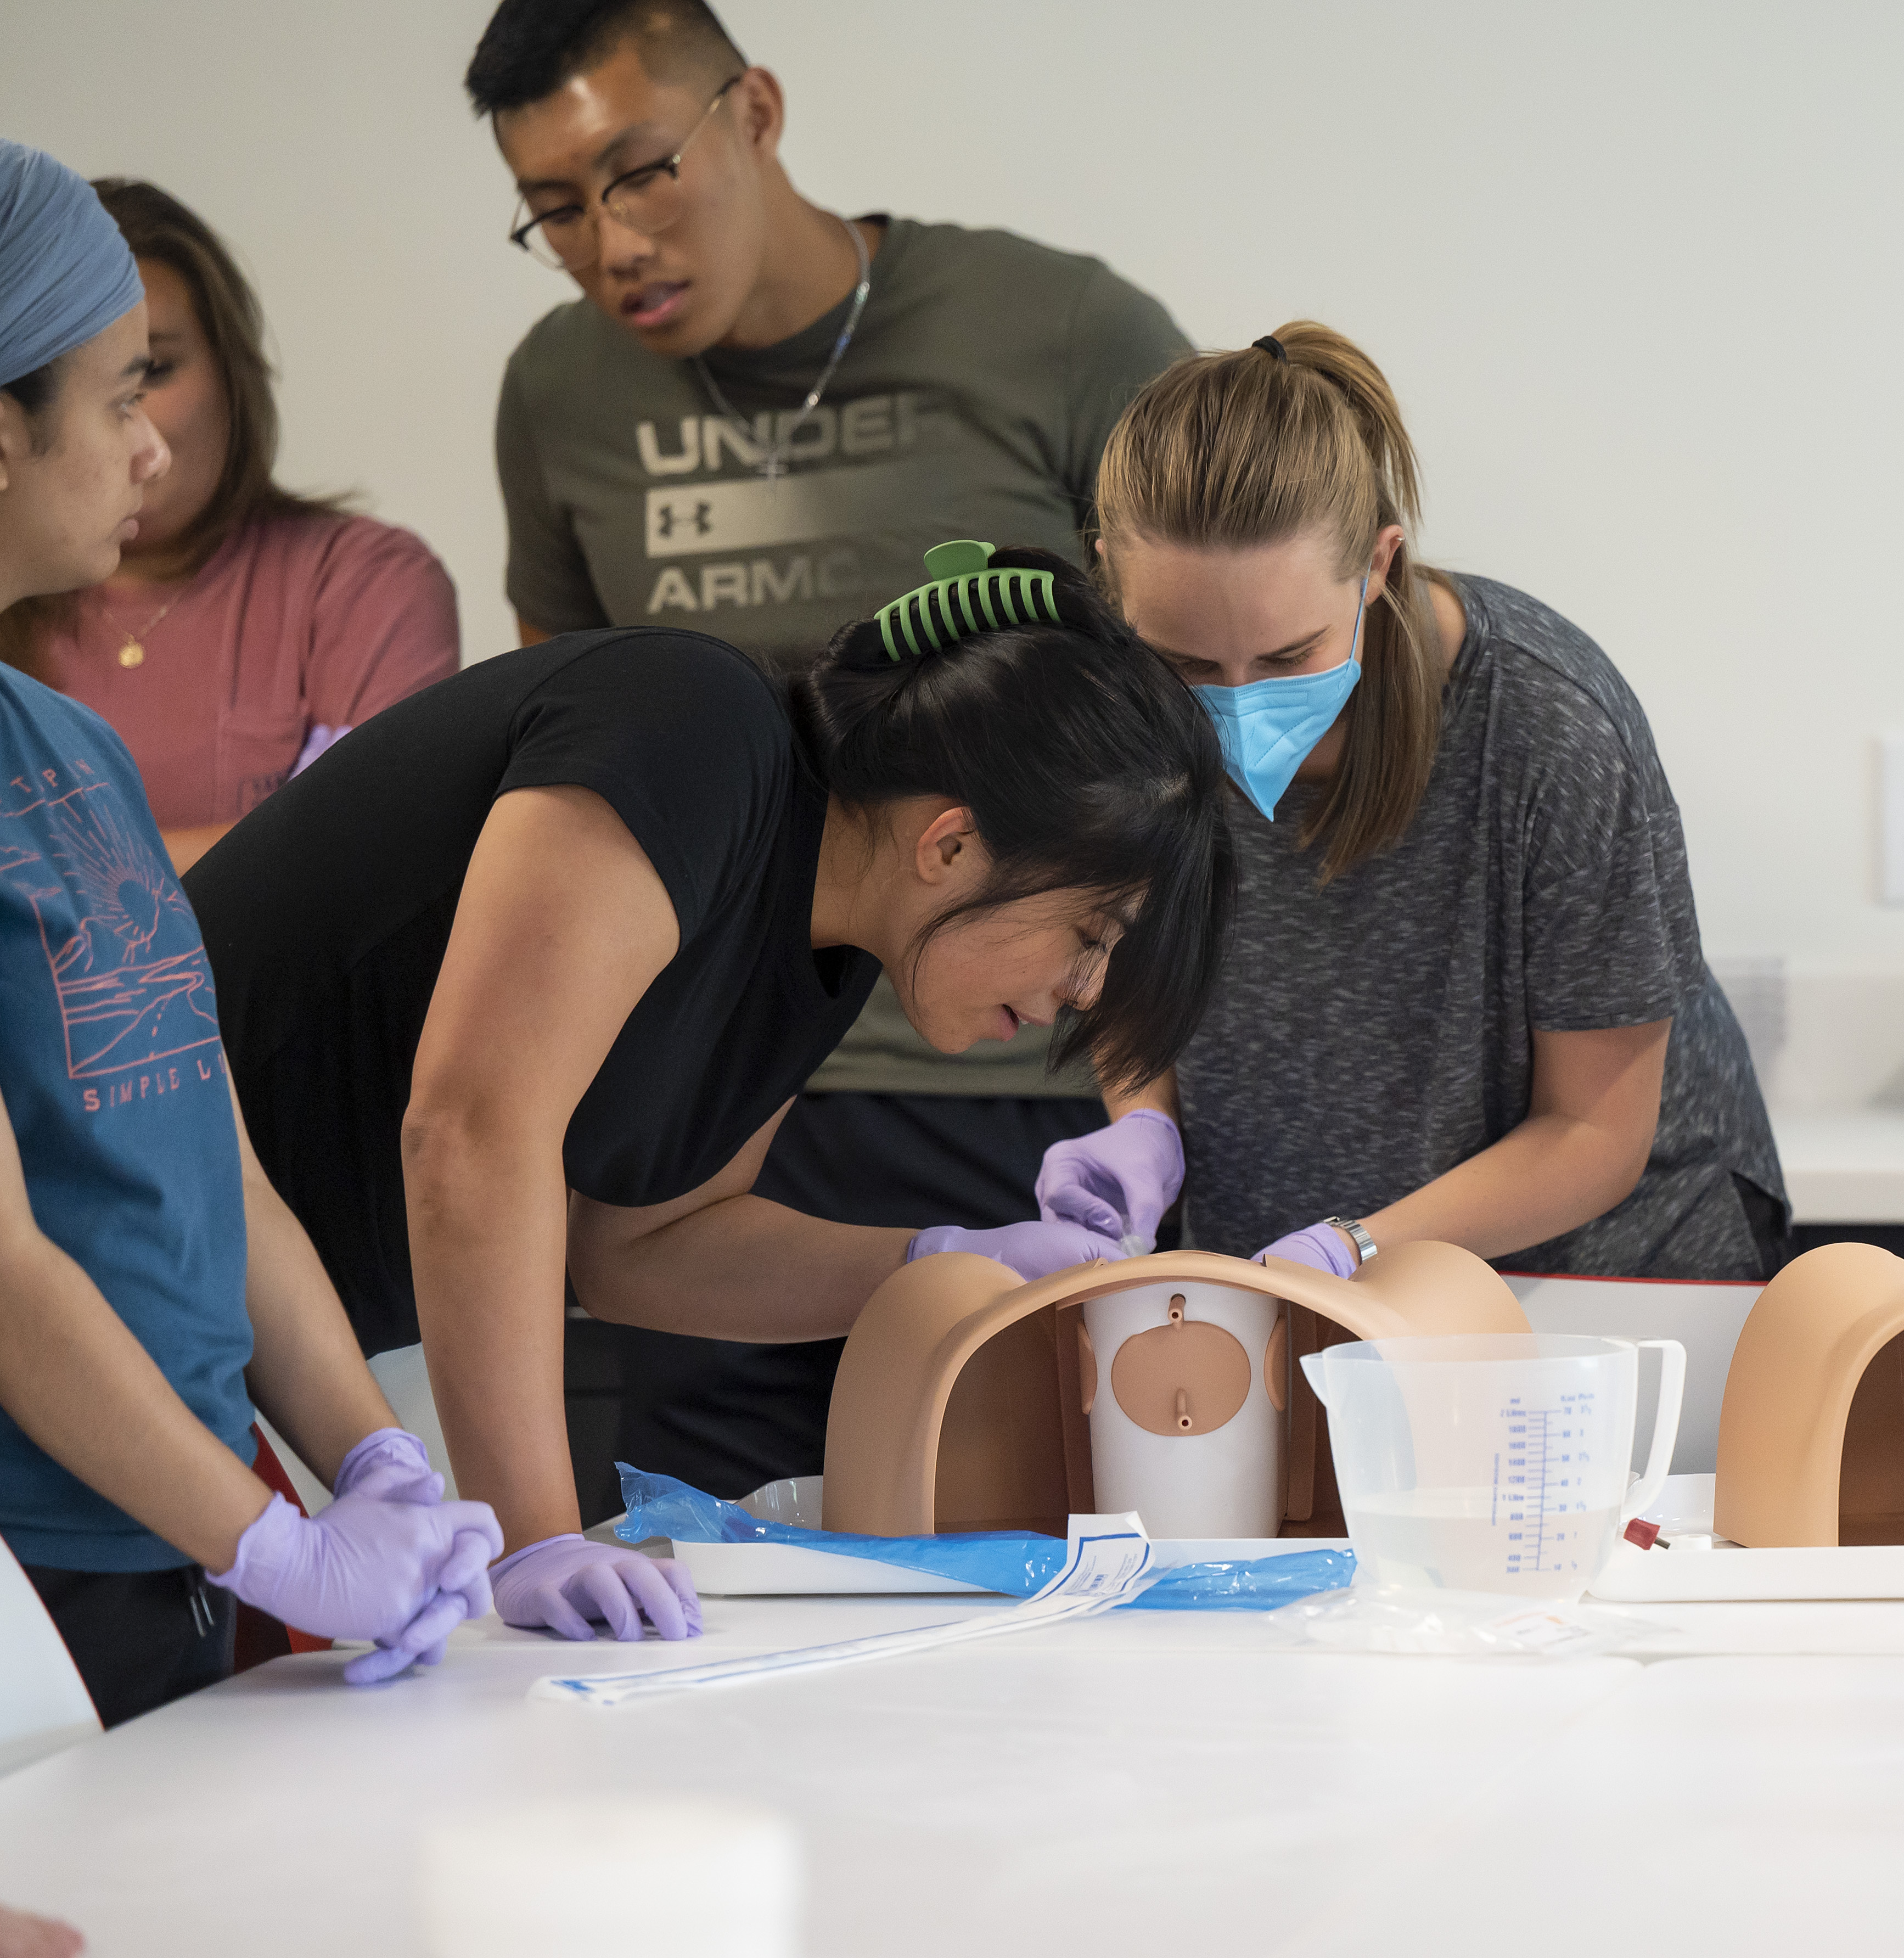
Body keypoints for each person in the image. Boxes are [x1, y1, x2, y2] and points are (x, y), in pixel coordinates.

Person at [184, 542, 1234, 1641]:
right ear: (950, 840)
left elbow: (641, 1250)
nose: (1085, 992)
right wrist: (537, 1534)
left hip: (253, 1334)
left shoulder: (822, 956)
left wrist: (944, 1256)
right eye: (1091, 936)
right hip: (114, 1254)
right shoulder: (691, 730)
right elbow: (472, 1129)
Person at [467, 0, 1194, 1497]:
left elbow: (1174, 758)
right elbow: (558, 739)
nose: (610, 245)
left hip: (1015, 1081)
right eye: (551, 209)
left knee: (1026, 1546)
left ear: (755, 111)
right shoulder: (559, 395)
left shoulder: (1058, 333)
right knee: (719, 1563)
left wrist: (1147, 1106)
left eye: (638, 172)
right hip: (717, 1098)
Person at [0, 139, 498, 1724]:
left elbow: (225, 1171)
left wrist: (371, 1454)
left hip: (183, 1542)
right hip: (35, 1571)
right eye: (115, 394)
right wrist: (276, 1540)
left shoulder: (70, 750)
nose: (149, 449)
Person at [1051, 322, 1786, 1281]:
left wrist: (1359, 1245)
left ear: (1378, 565)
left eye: (1286, 656)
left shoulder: (1545, 726)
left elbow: (1593, 1130)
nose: (1233, 699)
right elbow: (1124, 965)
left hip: (1598, 1279)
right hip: (1279, 1273)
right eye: (1185, 662)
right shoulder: (1107, 709)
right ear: (1113, 573)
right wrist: (1142, 1128)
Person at [0, 181, 459, 874]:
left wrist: (52, 876)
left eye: (149, 373)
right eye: (94, 392)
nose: (139, 439)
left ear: (233, 371)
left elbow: (370, 858)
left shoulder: (362, 578)